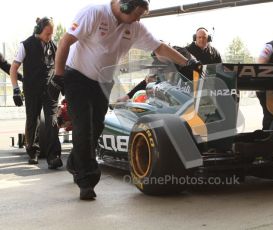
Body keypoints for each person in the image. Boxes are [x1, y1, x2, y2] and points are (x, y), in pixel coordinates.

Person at [49, 0, 200, 200]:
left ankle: (76, 163)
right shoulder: (93, 13)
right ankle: (87, 182)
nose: (138, 19)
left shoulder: (135, 27)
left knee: (96, 127)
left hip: (103, 82)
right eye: (137, 14)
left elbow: (160, 48)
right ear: (125, 6)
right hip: (77, 77)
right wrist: (59, 75)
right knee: (83, 127)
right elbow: (65, 41)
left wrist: (188, 62)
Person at [10, 17, 62, 169]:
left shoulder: (53, 46)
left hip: (50, 90)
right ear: (39, 31)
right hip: (32, 89)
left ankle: (54, 156)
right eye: (47, 34)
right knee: (33, 119)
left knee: (52, 121)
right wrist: (15, 90)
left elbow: (60, 66)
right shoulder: (25, 45)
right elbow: (13, 68)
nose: (50, 37)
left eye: (51, 34)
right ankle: (33, 151)